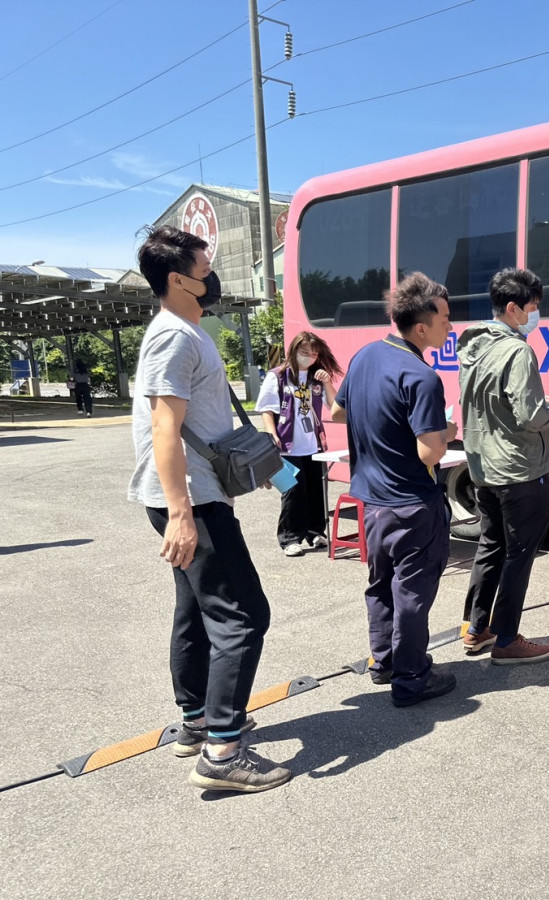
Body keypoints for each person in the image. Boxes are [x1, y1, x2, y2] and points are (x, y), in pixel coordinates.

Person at [128, 225, 289, 793]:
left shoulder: (187, 330)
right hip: (191, 500)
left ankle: (196, 721)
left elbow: (209, 422)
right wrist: (181, 511)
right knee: (244, 617)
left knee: (196, 612)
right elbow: (164, 427)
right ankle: (222, 749)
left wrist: (256, 467)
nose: (212, 276)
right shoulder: (174, 336)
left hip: (195, 493)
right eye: (204, 267)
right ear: (178, 279)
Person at [329, 273, 459, 707]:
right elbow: (428, 452)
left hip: (371, 500)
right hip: (412, 504)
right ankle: (411, 676)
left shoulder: (366, 356)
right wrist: (448, 430)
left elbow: (338, 411)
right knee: (412, 594)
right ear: (420, 327)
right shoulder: (422, 376)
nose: (450, 326)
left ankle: (382, 661)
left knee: (380, 585)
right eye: (444, 318)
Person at [457, 268, 549, 665]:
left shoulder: (472, 346)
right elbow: (531, 415)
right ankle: (506, 639)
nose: (536, 315)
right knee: (519, 555)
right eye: (533, 308)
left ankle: (476, 628)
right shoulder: (517, 351)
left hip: (483, 468)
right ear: (512, 308)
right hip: (521, 471)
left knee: (490, 547)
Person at [256, 332, 343, 557]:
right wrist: (271, 433)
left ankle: (314, 532)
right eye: (305, 353)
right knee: (292, 490)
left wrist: (327, 383)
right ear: (293, 350)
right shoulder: (278, 376)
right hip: (287, 444)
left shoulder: (317, 377)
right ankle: (289, 537)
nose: (310, 357)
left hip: (313, 444)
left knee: (316, 489)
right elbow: (267, 408)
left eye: (314, 354)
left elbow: (334, 406)